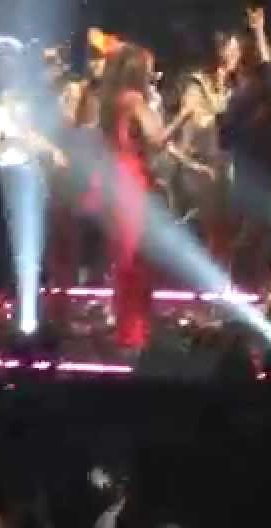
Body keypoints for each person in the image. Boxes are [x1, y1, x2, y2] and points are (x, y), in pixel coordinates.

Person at [98, 42, 165, 352]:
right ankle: (134, 335)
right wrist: (185, 115)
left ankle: (129, 331)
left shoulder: (112, 101)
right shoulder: (135, 100)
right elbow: (156, 138)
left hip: (115, 179)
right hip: (133, 180)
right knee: (136, 262)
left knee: (125, 259)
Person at [165, 28, 241, 263]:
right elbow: (191, 125)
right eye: (233, 49)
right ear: (219, 52)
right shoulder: (197, 85)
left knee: (224, 234)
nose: (237, 55)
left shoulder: (231, 87)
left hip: (222, 169)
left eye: (238, 50)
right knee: (208, 231)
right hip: (195, 168)